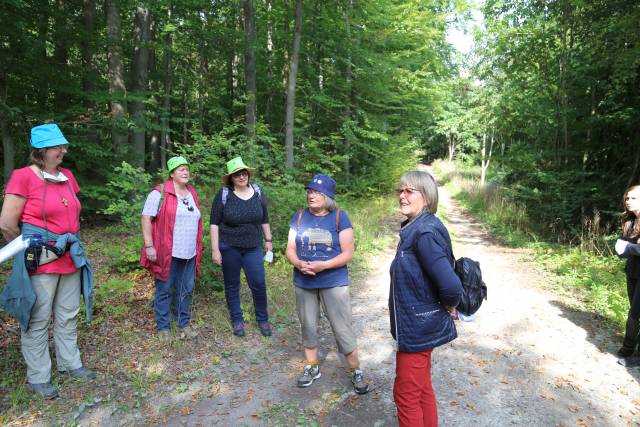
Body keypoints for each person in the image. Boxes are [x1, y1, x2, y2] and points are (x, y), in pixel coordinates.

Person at [0, 123, 95, 399]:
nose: (63, 152)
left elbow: (73, 212)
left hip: (69, 257)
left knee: (67, 314)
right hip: (41, 260)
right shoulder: (23, 177)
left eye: (63, 146)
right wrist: (31, 250)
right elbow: (7, 224)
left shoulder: (67, 176)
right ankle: (39, 376)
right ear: (41, 151)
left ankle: (69, 364)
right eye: (57, 147)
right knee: (38, 318)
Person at [389, 170, 463, 426]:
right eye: (401, 190)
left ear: (427, 197)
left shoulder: (424, 234)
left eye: (409, 191)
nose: (402, 195)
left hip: (418, 328)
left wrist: (449, 304)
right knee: (420, 388)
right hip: (417, 325)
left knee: (406, 394)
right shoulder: (417, 228)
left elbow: (452, 286)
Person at [285, 173, 369, 395]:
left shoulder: (340, 217)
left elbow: (348, 252)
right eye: (309, 191)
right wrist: (298, 263)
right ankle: (312, 367)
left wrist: (324, 265)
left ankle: (355, 369)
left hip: (333, 281)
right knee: (308, 324)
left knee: (342, 327)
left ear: (328, 197)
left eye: (316, 192)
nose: (311, 195)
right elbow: (290, 248)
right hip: (303, 281)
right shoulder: (300, 215)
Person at [141, 156, 203, 342]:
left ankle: (183, 323)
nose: (185, 172)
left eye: (187, 169)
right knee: (165, 288)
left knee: (186, 288)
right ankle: (163, 328)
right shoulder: (159, 192)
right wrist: (149, 246)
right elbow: (146, 218)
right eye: (180, 169)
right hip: (167, 251)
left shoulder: (191, 192)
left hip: (189, 252)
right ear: (172, 173)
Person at [210, 157, 273, 337]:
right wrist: (215, 250)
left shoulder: (258, 192)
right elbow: (214, 223)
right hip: (229, 247)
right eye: (237, 174)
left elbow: (264, 219)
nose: (241, 176)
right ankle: (237, 320)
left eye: (244, 172)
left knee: (259, 283)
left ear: (248, 174)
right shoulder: (224, 194)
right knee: (232, 285)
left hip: (253, 247)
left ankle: (262, 319)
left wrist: (268, 241)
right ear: (231, 177)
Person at [615, 185, 640, 360]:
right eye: (627, 198)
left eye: (634, 198)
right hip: (632, 271)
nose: (629, 201)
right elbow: (622, 248)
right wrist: (622, 248)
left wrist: (628, 247)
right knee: (634, 310)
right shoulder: (630, 223)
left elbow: (630, 248)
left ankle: (629, 350)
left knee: (635, 313)